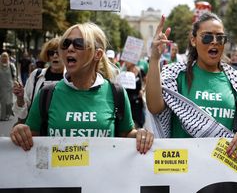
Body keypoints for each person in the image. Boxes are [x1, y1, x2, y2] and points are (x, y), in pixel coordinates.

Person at [10, 22, 153, 154]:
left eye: (78, 43)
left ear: (97, 54)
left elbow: (126, 134)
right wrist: (20, 131)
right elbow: (31, 137)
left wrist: (140, 134)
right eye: (65, 44)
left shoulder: (117, 93)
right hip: (56, 180)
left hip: (102, 179)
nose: (70, 48)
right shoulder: (47, 94)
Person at [146, 13, 237, 158]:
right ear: (193, 40)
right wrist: (155, 57)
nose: (214, 42)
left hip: (225, 170)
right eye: (207, 37)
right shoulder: (176, 75)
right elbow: (154, 107)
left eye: (220, 38)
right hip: (183, 168)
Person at [12, 37, 65, 123]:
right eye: (51, 53)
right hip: (37, 132)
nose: (55, 56)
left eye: (59, 52)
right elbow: (22, 113)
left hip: (60, 131)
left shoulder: (72, 78)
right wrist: (20, 98)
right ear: (47, 56)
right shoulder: (36, 75)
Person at [123, 61, 146, 128]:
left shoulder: (140, 71)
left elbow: (146, 82)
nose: (126, 63)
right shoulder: (124, 72)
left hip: (138, 102)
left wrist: (143, 90)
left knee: (138, 122)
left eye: (127, 61)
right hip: (127, 100)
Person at [0, 52, 16, 121]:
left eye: (5, 56)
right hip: (1, 86)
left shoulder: (11, 65)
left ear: (8, 58)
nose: (4, 58)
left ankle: (9, 113)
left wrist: (15, 82)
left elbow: (14, 75)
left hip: (9, 86)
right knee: (3, 102)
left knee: (9, 102)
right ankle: (3, 116)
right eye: (3, 56)